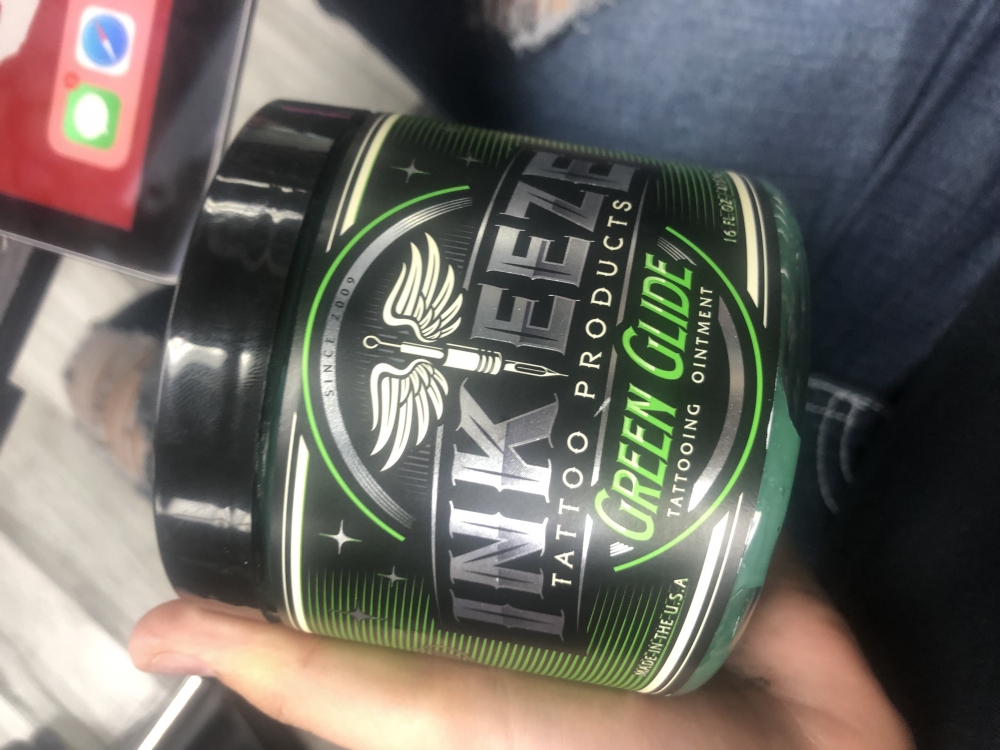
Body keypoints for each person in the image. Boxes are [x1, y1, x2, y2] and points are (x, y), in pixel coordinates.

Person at [114, 1, 1000, 747]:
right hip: (923, 325)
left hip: (837, 538)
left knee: (171, 395)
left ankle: (139, 372)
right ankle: (147, 364)